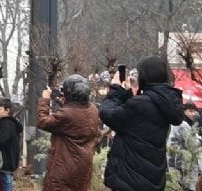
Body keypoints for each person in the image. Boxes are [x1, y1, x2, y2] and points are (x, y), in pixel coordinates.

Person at [100, 55, 185, 191]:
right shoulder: (163, 102)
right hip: (151, 177)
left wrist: (115, 89)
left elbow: (108, 114)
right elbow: (134, 121)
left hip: (130, 179)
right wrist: (127, 94)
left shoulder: (142, 103)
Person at [36, 75, 100, 191]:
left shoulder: (66, 115)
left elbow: (42, 121)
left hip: (63, 170)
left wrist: (45, 100)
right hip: (82, 169)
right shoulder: (93, 110)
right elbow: (76, 114)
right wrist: (62, 101)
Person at [0, 98, 23, 191]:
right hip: (9, 161)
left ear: (7, 110)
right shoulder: (11, 123)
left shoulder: (6, 123)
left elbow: (0, 140)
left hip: (5, 162)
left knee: (6, 186)